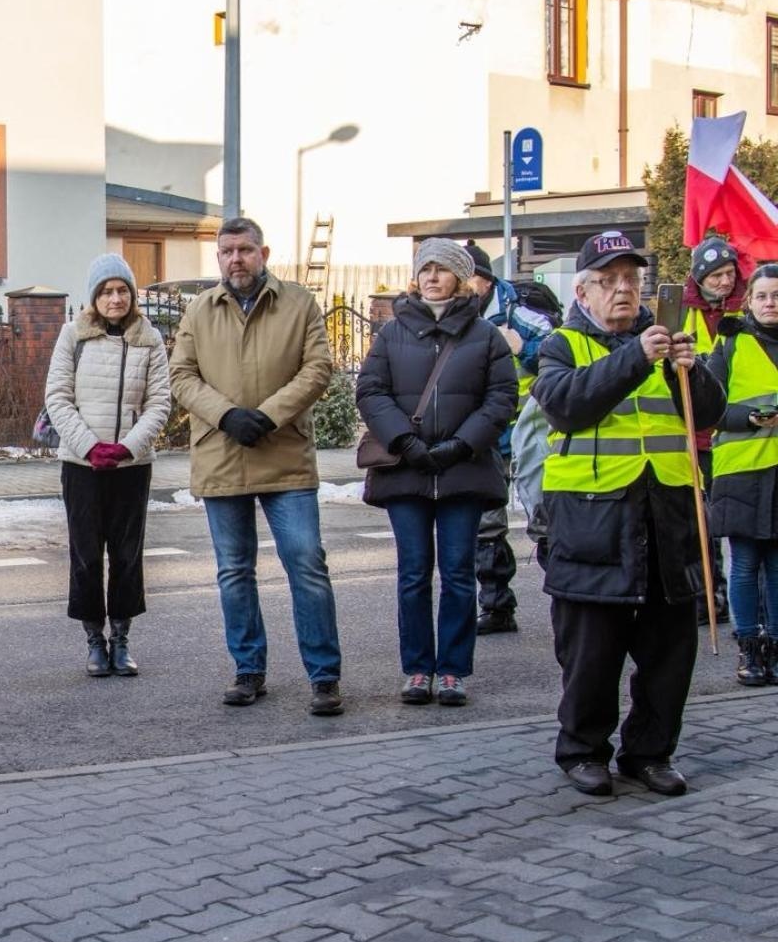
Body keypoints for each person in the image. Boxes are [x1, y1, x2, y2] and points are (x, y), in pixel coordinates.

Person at [533, 231, 724, 797]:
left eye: (631, 280)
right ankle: (583, 750)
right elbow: (568, 405)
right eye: (609, 281)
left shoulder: (670, 343)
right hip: (593, 527)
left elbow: (707, 414)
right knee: (591, 654)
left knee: (669, 655)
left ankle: (650, 752)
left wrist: (690, 370)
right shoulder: (562, 345)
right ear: (584, 291)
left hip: (667, 521)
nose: (623, 291)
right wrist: (638, 358)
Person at [169, 217, 344, 716]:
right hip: (222, 454)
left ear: (263, 253)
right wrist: (226, 415)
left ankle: (324, 676)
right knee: (234, 572)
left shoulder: (299, 303)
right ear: (218, 257)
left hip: (283, 453)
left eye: (244, 250)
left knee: (307, 564)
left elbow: (318, 368)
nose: (235, 259)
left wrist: (267, 415)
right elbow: (181, 374)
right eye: (226, 252)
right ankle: (248, 670)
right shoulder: (199, 309)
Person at [357, 240, 517, 706]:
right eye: (424, 268)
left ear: (461, 278)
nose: (431, 277)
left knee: (458, 574)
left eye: (441, 269)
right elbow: (371, 390)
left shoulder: (485, 335)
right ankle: (417, 668)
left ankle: (452, 670)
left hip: (462, 471)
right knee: (412, 574)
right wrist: (403, 441)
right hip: (406, 472)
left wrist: (461, 444)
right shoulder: (391, 332)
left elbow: (501, 398)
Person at [44, 253, 172, 676]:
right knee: (86, 555)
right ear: (94, 297)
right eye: (106, 291)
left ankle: (121, 639)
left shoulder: (150, 339)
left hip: (131, 468)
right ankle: (94, 641)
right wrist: (90, 447)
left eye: (121, 291)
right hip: (82, 467)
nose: (114, 299)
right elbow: (57, 398)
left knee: (127, 555)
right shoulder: (72, 336)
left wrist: (127, 448)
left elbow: (159, 403)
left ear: (132, 296)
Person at [464, 241, 555, 633]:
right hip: (487, 436)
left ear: (483, 281)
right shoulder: (457, 319)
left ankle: (569, 600)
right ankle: (496, 606)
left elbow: (557, 354)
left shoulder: (521, 315)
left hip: (532, 432)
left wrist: (523, 348)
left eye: (463, 275)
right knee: (486, 525)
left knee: (546, 521)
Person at [708, 263, 778, 685]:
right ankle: (749, 649)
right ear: (749, 300)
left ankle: (776, 645)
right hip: (742, 470)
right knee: (746, 563)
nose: (772, 303)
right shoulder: (730, 343)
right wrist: (749, 417)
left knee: (777, 565)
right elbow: (710, 404)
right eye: (764, 296)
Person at [685, 236, 746, 626]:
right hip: (696, 435)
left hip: (739, 434)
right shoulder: (682, 314)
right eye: (717, 274)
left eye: (729, 273)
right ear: (700, 277)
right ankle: (713, 594)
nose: (725, 281)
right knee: (700, 523)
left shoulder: (748, 309)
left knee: (738, 525)